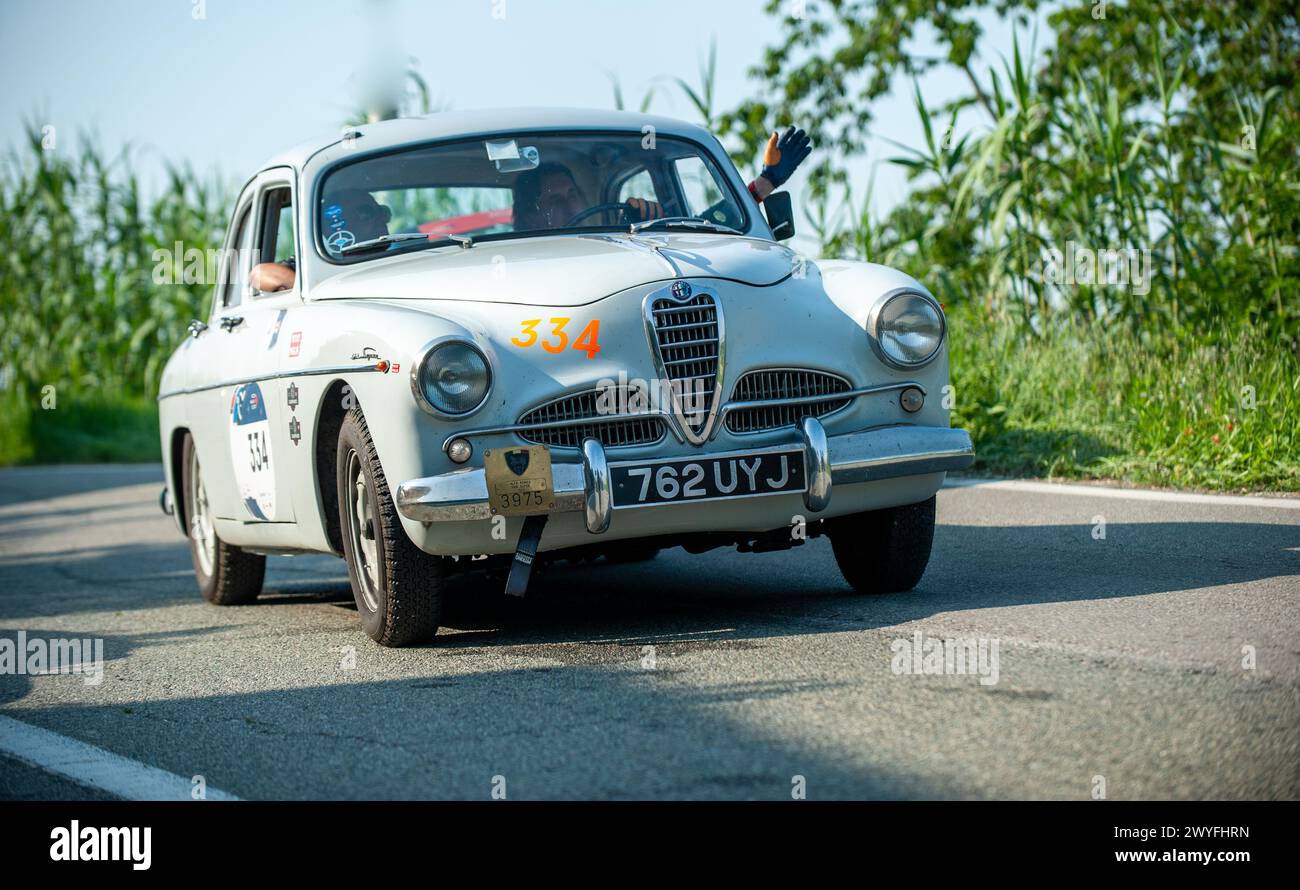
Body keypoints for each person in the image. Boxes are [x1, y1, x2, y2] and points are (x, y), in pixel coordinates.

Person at [512, 125, 811, 231]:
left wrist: (766, 181)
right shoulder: (524, 267)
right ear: (528, 218)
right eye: (554, 199)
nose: (569, 203)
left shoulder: (616, 233)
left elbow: (708, 230)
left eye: (572, 193)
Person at [249, 189, 392, 293]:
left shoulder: (404, 248)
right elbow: (258, 273)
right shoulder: (318, 263)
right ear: (336, 226)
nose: (381, 218)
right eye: (365, 213)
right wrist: (305, 288)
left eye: (382, 211)